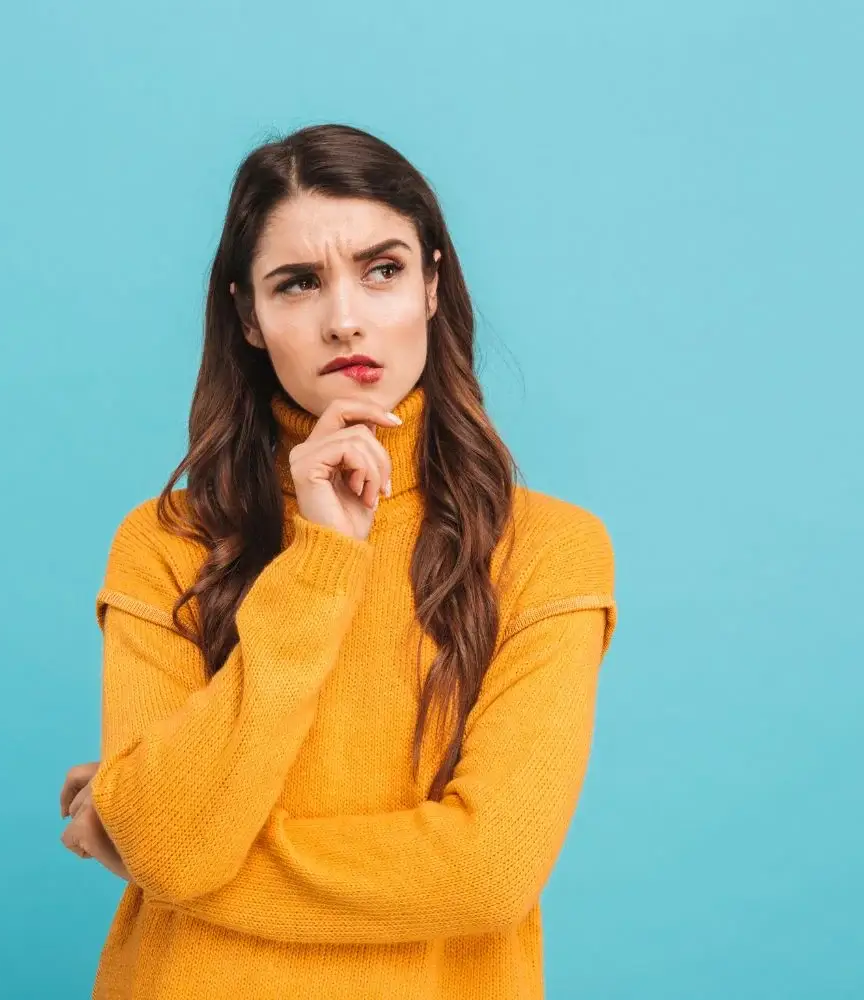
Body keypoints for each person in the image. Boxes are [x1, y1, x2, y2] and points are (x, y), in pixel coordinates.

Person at [58, 122, 617, 1000]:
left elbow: (487, 873)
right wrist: (322, 559)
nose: (344, 317)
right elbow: (168, 842)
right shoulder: (166, 543)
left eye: (383, 269)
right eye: (298, 283)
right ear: (249, 316)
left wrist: (141, 833)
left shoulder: (546, 551)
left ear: (434, 283)